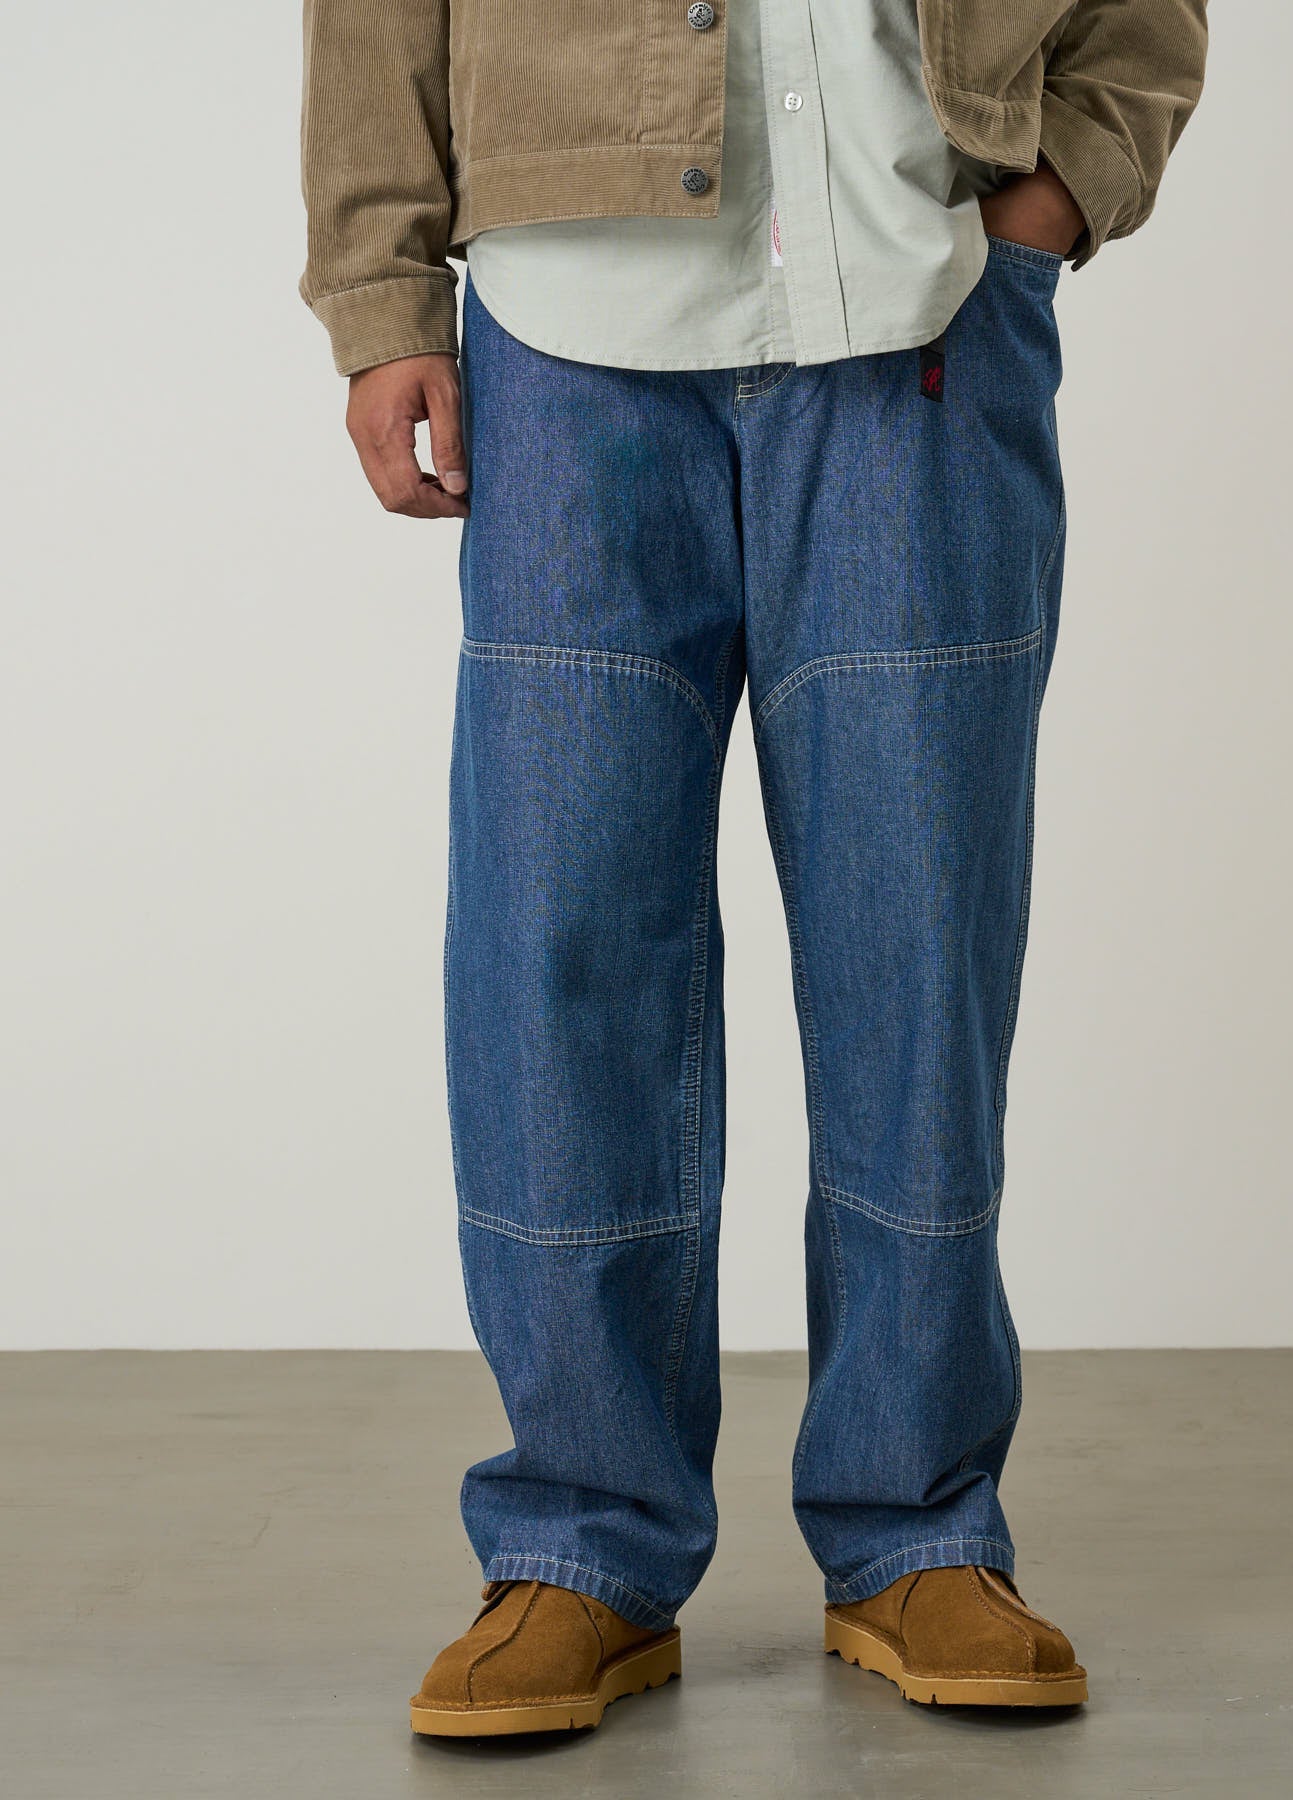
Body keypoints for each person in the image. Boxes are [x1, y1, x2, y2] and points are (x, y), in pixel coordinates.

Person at [300, 0, 1208, 1737]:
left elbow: (1146, 25)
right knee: (560, 943)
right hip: (566, 332)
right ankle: (578, 1542)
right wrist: (380, 297)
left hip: (921, 313)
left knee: (918, 941)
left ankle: (917, 1527)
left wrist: (1046, 209)